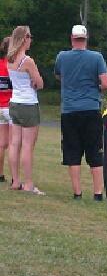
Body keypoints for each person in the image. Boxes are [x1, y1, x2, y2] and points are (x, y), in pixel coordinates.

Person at [54, 25, 107, 201]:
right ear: (86, 39)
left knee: (72, 151)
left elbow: (58, 76)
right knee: (94, 151)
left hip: (69, 110)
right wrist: (96, 87)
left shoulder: (62, 57)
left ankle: (77, 193)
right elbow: (106, 83)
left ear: (72, 38)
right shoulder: (96, 57)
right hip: (91, 108)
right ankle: (98, 193)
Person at [7, 26, 45, 194]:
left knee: (14, 143)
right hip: (28, 104)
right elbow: (40, 83)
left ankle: (16, 181)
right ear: (23, 39)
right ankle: (29, 184)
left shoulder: (9, 59)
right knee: (28, 146)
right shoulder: (27, 60)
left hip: (14, 102)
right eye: (29, 36)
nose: (31, 40)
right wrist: (34, 81)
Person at [0, 36, 12, 183]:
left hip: (0, 107)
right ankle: (15, 177)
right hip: (12, 107)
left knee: (2, 143)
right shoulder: (15, 66)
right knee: (14, 143)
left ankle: (1, 174)